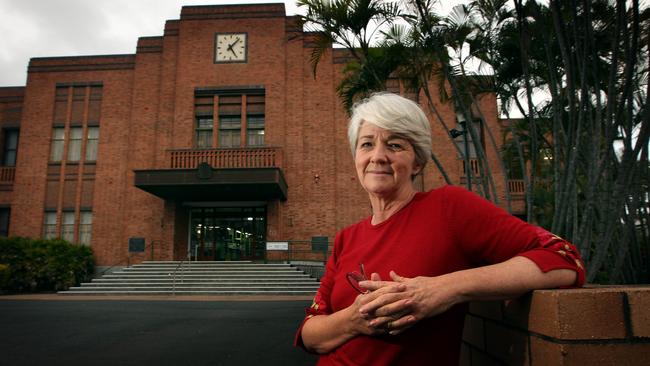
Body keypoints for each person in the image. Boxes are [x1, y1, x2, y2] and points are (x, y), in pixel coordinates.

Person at [294, 92, 585, 365]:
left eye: (395, 145)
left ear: (418, 161)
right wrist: (354, 319)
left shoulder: (449, 208)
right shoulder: (347, 238)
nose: (378, 156)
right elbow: (310, 334)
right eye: (367, 144)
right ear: (356, 157)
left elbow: (564, 258)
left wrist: (445, 289)